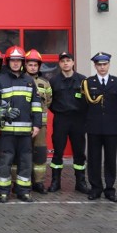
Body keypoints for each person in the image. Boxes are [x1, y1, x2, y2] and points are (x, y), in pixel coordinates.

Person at [0, 46, 42, 203]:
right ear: (8, 62)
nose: (16, 63)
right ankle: (3, 191)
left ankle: (23, 190)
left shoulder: (29, 81)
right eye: (13, 61)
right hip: (6, 131)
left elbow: (36, 105)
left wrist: (37, 124)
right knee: (5, 162)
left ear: (22, 62)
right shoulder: (0, 81)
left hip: (26, 131)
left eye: (19, 61)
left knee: (25, 162)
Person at [80, 52, 117, 202]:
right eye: (99, 64)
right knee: (94, 159)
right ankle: (95, 188)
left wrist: (113, 121)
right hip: (93, 127)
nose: (102, 67)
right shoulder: (88, 82)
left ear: (109, 64)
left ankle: (110, 189)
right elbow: (83, 106)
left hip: (111, 127)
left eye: (104, 64)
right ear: (95, 66)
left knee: (110, 159)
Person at [48, 51, 89, 193]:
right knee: (58, 151)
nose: (65, 63)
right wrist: (59, 111)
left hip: (78, 120)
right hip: (61, 119)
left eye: (68, 60)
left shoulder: (83, 80)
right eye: (62, 61)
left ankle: (81, 182)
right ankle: (55, 182)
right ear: (59, 64)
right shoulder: (53, 81)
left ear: (73, 62)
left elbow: (88, 100)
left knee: (79, 152)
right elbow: (49, 102)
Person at [24, 49, 52, 194]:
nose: (33, 67)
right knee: (24, 153)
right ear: (25, 65)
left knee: (40, 153)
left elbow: (48, 101)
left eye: (35, 65)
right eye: (30, 65)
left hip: (40, 126)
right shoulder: (21, 80)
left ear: (39, 66)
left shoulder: (44, 83)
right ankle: (24, 181)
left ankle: (39, 182)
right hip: (23, 124)